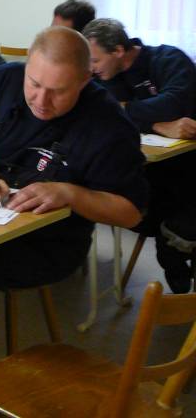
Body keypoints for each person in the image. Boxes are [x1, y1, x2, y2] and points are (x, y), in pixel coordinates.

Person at [0, 26, 147, 418]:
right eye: (34, 84)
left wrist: (71, 193)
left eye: (58, 91)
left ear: (86, 80)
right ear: (26, 66)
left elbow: (130, 211)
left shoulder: (109, 124)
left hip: (48, 243)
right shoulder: (1, 82)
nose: (41, 101)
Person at [83, 18, 196, 292]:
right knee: (135, 206)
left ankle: (174, 258)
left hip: (191, 165)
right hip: (155, 172)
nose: (91, 68)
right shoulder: (107, 77)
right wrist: (158, 125)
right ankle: (174, 262)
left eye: (95, 60)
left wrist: (129, 110)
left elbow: (175, 103)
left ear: (118, 51)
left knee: (181, 223)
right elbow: (104, 113)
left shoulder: (168, 59)